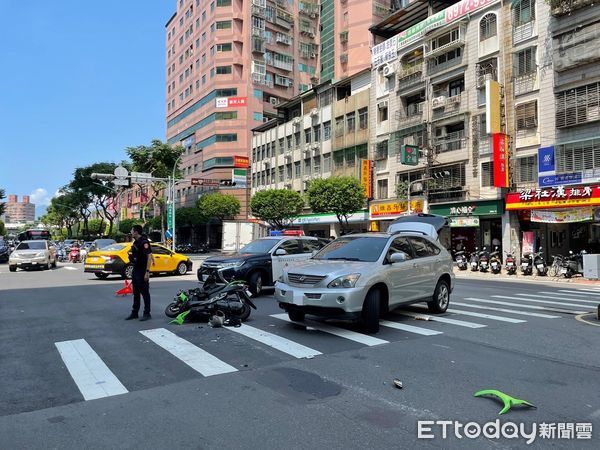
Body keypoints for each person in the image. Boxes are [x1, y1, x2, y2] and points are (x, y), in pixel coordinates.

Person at [126, 225, 153, 321]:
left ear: (136, 232)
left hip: (142, 270)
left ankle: (147, 313)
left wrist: (147, 272)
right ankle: (135, 312)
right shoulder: (136, 242)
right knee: (136, 292)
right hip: (136, 269)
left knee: (145, 292)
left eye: (132, 231)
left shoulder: (144, 242)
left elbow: (149, 256)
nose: (131, 232)